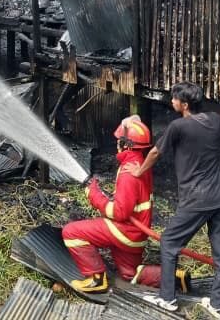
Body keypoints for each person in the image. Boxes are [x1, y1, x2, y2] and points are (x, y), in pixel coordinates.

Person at [139, 73, 220, 319]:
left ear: (184, 105)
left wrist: (138, 172)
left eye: (174, 98)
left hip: (196, 198)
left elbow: (154, 153)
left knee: (169, 243)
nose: (171, 101)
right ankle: (217, 306)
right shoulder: (214, 121)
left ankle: (168, 298)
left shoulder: (178, 126)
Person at [63, 116, 191, 294]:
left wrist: (93, 195)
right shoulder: (140, 163)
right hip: (135, 234)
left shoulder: (128, 172)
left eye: (119, 141)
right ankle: (174, 277)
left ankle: (96, 279)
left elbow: (120, 212)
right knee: (130, 275)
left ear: (127, 145)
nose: (117, 143)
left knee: (71, 232)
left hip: (124, 231)